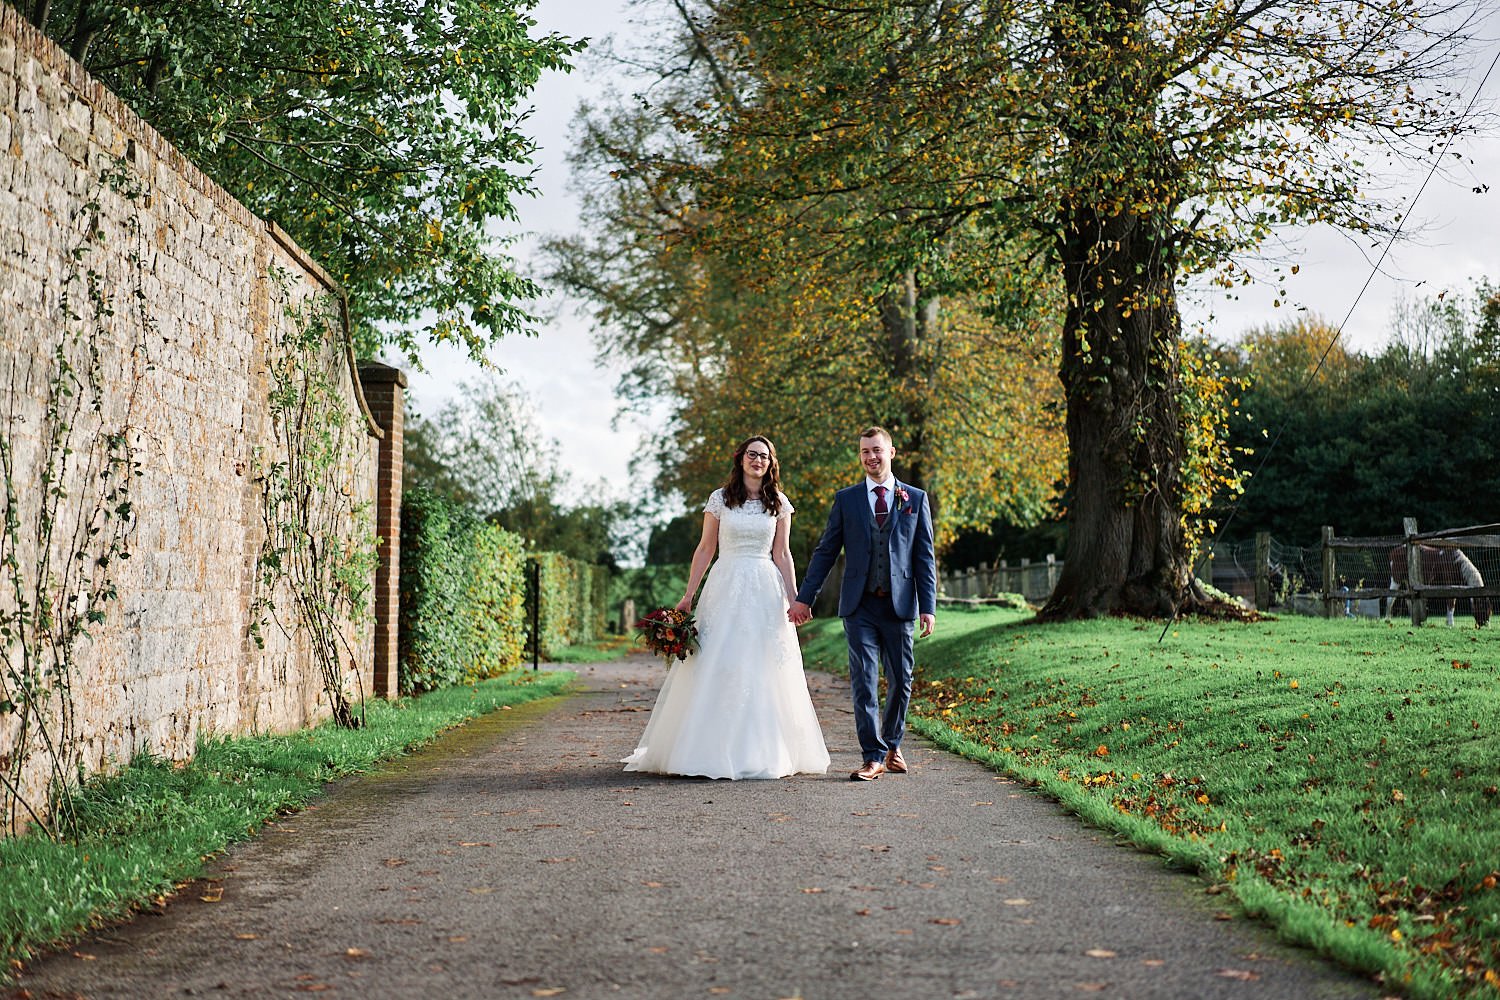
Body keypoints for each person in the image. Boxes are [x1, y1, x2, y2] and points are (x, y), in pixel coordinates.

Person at [623, 436, 830, 780]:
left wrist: (796, 598)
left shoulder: (779, 503)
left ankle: (762, 749)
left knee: (763, 664)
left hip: (765, 587)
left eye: (764, 456)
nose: (758, 461)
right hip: (725, 584)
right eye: (752, 454)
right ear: (740, 459)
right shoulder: (720, 500)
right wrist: (689, 594)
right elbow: (705, 548)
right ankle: (706, 748)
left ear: (771, 463)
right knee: (720, 659)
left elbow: (782, 554)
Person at [789, 426, 936, 781]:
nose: (871, 457)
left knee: (901, 680)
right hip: (859, 606)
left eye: (877, 450)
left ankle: (893, 744)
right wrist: (804, 598)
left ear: (891, 452)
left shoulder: (914, 498)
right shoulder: (847, 499)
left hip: (900, 606)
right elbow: (825, 551)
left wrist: (927, 606)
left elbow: (924, 556)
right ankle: (872, 755)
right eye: (865, 452)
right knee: (864, 680)